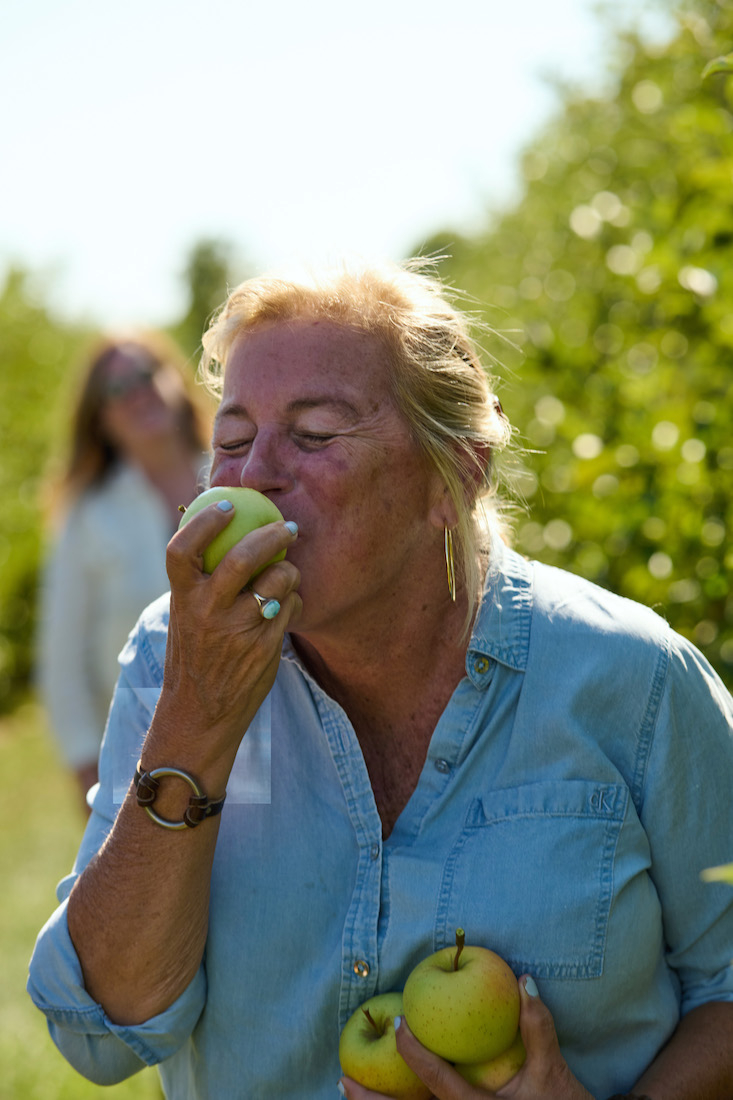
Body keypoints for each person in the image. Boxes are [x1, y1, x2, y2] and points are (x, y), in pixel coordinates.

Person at [28, 261, 733, 1099]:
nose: (254, 476)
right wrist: (196, 718)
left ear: (455, 474)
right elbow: (102, 1033)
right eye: (232, 440)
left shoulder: (629, 680)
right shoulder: (171, 655)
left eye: (314, 434)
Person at [37, 331, 212, 810]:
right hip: (138, 751)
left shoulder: (237, 471)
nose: (137, 393)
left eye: (145, 374)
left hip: (258, 727)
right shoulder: (87, 515)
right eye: (116, 389)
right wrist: (85, 769)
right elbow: (62, 658)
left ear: (176, 379)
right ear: (101, 419)